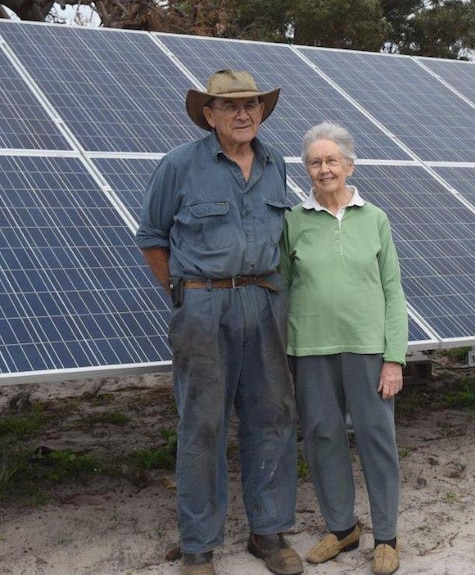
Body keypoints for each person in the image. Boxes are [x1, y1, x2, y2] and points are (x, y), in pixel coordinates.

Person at [135, 69, 302, 575]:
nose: (243, 113)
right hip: (204, 308)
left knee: (271, 416)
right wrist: (184, 296)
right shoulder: (179, 166)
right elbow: (152, 237)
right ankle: (198, 547)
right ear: (209, 115)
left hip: (266, 302)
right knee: (202, 425)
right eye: (230, 106)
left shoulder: (276, 166)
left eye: (251, 104)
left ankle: (268, 533)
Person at [280, 122, 408, 575]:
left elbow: (393, 291)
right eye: (315, 161)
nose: (324, 168)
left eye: (332, 160)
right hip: (309, 349)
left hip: (367, 349)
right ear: (307, 170)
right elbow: (282, 289)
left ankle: (386, 537)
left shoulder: (375, 218)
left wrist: (394, 357)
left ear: (350, 165)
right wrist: (283, 355)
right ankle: (342, 528)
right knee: (322, 438)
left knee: (377, 440)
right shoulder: (293, 222)